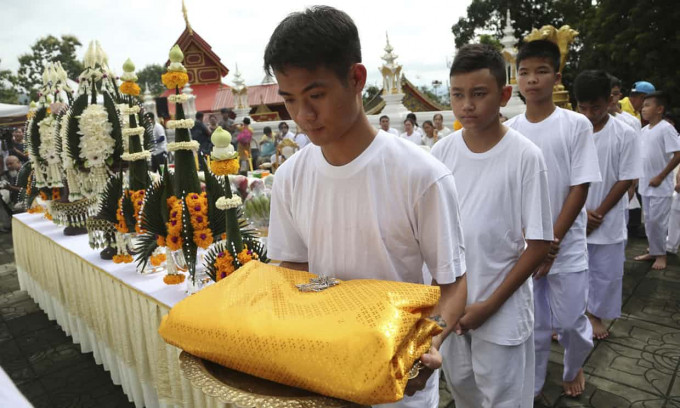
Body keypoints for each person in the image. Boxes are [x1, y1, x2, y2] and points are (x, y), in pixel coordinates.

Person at [264, 6, 467, 408]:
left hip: (397, 383)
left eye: (316, 95)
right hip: (322, 376)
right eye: (289, 100)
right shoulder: (290, 178)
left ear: (356, 78)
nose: (303, 115)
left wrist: (428, 341)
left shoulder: (422, 176)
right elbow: (291, 272)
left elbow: (454, 284)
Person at [433, 44, 552, 408]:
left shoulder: (525, 157)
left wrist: (489, 304)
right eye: (458, 95)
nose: (466, 105)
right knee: (464, 393)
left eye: (478, 94)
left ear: (502, 95)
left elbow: (539, 245)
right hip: (451, 307)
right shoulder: (442, 153)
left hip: (500, 309)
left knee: (505, 400)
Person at [505, 39, 601, 399]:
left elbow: (580, 186)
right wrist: (532, 243)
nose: (532, 80)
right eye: (525, 72)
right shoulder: (510, 128)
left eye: (541, 71)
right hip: (525, 245)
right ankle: (532, 383)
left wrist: (552, 242)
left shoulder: (575, 125)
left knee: (572, 323)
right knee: (533, 326)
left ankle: (574, 366)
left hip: (566, 244)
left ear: (556, 77)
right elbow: (511, 189)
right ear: (517, 79)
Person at [574, 70, 641, 341]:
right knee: (572, 271)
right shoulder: (572, 130)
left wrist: (598, 213)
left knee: (605, 272)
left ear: (609, 101)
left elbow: (626, 177)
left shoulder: (624, 134)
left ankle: (595, 315)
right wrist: (580, 213)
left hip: (607, 215)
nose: (590, 113)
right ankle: (570, 316)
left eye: (596, 107)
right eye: (584, 107)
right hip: (573, 213)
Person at [633, 91, 680, 270]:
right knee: (650, 221)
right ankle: (654, 250)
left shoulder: (666, 128)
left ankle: (661, 255)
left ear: (659, 109)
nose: (643, 109)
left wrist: (661, 175)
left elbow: (677, 154)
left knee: (658, 222)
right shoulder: (644, 131)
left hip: (660, 185)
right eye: (643, 106)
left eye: (647, 105)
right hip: (646, 184)